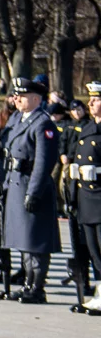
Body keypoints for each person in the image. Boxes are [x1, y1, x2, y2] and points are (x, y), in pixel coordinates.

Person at [0, 77, 61, 303]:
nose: (17, 99)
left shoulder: (42, 123)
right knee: (24, 240)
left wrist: (33, 192)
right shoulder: (20, 120)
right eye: (16, 95)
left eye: (23, 96)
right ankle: (27, 284)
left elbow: (43, 163)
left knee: (35, 240)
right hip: (17, 183)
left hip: (31, 187)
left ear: (36, 99)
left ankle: (37, 287)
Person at [63, 82, 101, 303]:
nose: (91, 103)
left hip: (99, 196)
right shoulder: (86, 128)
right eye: (91, 99)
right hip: (85, 197)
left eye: (96, 100)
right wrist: (72, 196)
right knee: (93, 250)